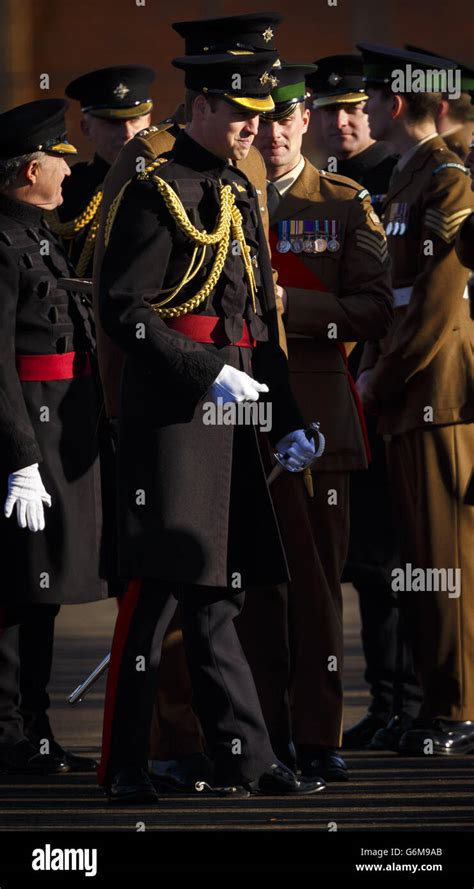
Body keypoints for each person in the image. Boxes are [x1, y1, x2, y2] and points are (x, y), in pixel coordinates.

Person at [97, 47, 325, 804]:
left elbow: (260, 318)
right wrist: (206, 373)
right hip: (173, 414)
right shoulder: (153, 188)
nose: (251, 131)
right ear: (197, 106)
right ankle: (125, 762)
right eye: (237, 115)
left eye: (260, 119)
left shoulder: (237, 188)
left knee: (220, 592)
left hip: (235, 410)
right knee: (161, 591)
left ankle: (245, 756)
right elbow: (122, 313)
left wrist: (285, 415)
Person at [235, 63, 393, 780]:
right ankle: (264, 732)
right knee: (255, 591)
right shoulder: (223, 198)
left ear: (306, 123)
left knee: (317, 587)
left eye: (285, 119)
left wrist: (288, 304)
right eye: (261, 119)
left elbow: (372, 308)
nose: (271, 132)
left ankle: (319, 731)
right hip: (240, 423)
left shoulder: (341, 201)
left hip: (318, 422)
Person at [356, 43, 474, 755]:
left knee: (445, 559)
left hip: (438, 395)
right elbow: (394, 299)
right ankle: (435, 704)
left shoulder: (448, 180)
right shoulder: (410, 177)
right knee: (418, 560)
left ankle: (457, 708)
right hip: (407, 391)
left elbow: (433, 307)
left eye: (370, 100)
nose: (365, 110)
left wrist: (380, 376)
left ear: (396, 104)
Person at [308, 53, 422, 751]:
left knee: (386, 558)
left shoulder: (395, 182)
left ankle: (402, 699)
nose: (343, 121)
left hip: (382, 388)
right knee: (351, 560)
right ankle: (384, 701)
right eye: (329, 110)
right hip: (330, 391)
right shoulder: (319, 191)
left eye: (354, 108)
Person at [0, 99, 111, 774]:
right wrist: (18, 458)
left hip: (59, 427)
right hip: (25, 439)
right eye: (60, 160)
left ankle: (32, 727)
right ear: (29, 168)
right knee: (14, 595)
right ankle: (9, 731)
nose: (69, 170)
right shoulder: (4, 242)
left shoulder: (39, 233)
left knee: (41, 593)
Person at [47, 65, 155, 276]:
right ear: (86, 128)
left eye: (135, 120)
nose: (127, 133)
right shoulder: (65, 188)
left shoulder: (169, 182)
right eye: (113, 123)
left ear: (149, 121)